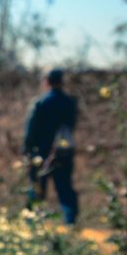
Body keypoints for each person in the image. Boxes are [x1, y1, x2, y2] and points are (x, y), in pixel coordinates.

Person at [23, 68, 78, 224]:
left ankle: (32, 224)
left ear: (46, 81)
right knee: (65, 188)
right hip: (64, 151)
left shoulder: (40, 102)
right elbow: (72, 125)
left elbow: (30, 129)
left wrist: (26, 149)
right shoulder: (70, 102)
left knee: (37, 188)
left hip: (41, 152)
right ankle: (70, 222)